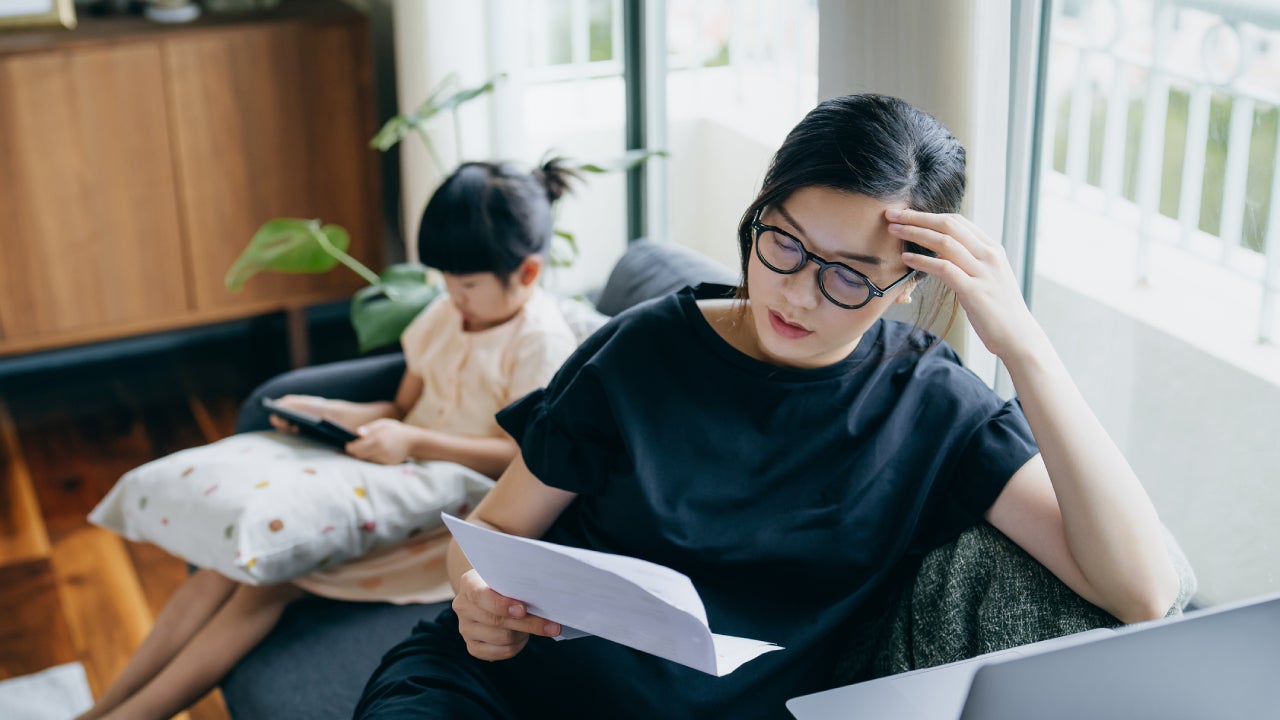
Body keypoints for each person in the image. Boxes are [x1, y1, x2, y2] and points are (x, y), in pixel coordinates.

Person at [352, 94, 1182, 720]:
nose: (797, 292)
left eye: (850, 274)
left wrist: (1026, 348)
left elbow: (1142, 591)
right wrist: (476, 600)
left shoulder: (931, 410)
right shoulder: (645, 350)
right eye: (782, 241)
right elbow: (493, 534)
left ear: (911, 280)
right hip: (501, 692)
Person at [78, 159, 582, 720]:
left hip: (451, 510)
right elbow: (398, 403)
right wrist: (330, 413)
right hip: (391, 467)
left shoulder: (539, 344)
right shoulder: (445, 315)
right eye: (443, 279)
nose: (451, 295)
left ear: (529, 274)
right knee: (228, 568)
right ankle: (103, 709)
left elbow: (524, 461)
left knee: (263, 585)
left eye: (465, 285)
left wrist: (413, 441)